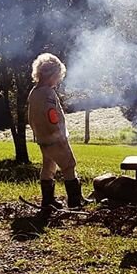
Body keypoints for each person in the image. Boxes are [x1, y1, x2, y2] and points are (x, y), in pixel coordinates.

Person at [27, 53, 87, 211]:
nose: (59, 80)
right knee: (69, 165)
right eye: (58, 76)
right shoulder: (48, 94)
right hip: (55, 138)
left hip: (43, 138)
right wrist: (59, 135)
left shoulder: (34, 93)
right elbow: (52, 116)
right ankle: (75, 202)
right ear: (51, 75)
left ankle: (48, 200)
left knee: (48, 166)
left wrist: (39, 133)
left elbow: (31, 117)